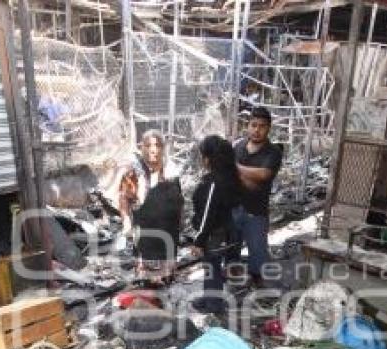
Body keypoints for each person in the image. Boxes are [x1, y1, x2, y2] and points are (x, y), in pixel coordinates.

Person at [119, 130, 184, 281]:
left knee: (167, 279)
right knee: (148, 281)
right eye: (148, 145)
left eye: (157, 145)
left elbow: (179, 200)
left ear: (163, 148)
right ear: (141, 147)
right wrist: (126, 222)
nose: (153, 149)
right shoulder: (133, 173)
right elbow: (124, 200)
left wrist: (181, 220)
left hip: (169, 233)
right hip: (145, 235)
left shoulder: (171, 171)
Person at [230, 106, 283, 287]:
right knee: (231, 247)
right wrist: (247, 178)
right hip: (234, 207)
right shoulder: (238, 147)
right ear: (248, 125)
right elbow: (239, 179)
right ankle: (234, 280)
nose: (257, 130)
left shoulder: (273, 151)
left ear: (269, 128)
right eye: (253, 125)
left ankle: (257, 282)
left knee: (258, 251)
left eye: (262, 126)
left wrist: (235, 168)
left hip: (257, 211)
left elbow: (263, 175)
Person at [189, 136, 240, 314]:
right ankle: (210, 297)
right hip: (228, 231)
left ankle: (214, 305)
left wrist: (198, 241)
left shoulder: (213, 183)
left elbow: (207, 216)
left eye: (203, 155)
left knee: (212, 269)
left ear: (208, 159)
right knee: (214, 268)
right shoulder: (230, 176)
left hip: (215, 235)